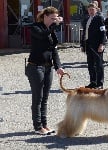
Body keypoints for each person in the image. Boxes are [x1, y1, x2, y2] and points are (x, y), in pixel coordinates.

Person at [25, 6, 65, 135]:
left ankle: (44, 124)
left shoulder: (50, 30)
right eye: (52, 18)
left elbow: (54, 50)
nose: (54, 20)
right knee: (38, 97)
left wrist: (58, 66)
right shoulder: (36, 27)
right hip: (35, 66)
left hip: (48, 67)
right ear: (45, 16)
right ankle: (38, 126)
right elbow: (42, 36)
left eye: (56, 18)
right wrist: (54, 26)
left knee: (45, 98)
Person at [81, 3, 106, 89]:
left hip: (97, 46)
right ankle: (93, 82)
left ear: (96, 10)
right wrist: (82, 44)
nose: (91, 11)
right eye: (89, 9)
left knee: (98, 65)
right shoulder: (87, 19)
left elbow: (103, 32)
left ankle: (100, 83)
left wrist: (102, 44)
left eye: (92, 9)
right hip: (88, 45)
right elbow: (84, 32)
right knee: (90, 65)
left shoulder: (99, 18)